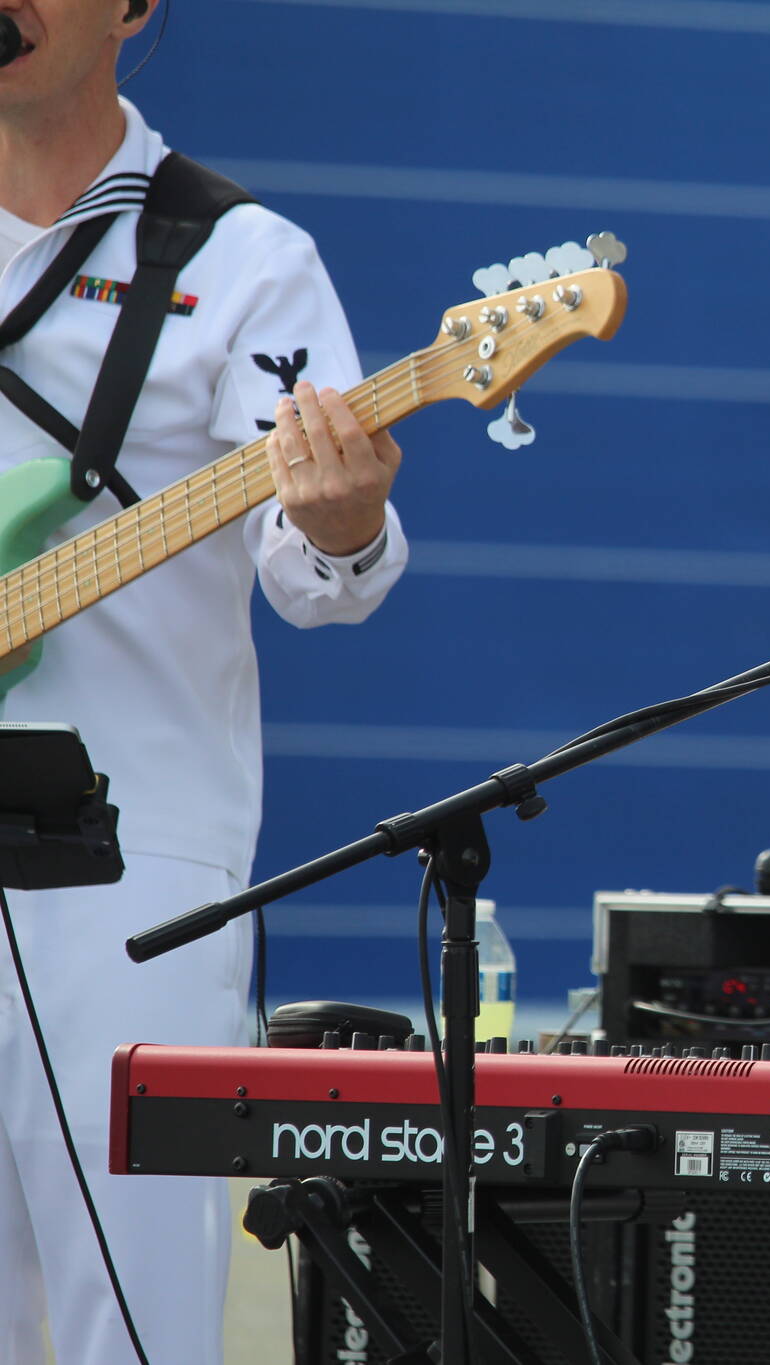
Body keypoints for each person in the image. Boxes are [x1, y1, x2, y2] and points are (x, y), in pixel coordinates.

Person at [0, 3, 407, 1360]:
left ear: (134, 7)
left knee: (139, 1314)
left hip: (133, 864)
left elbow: (313, 576)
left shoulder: (244, 261)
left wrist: (344, 522)